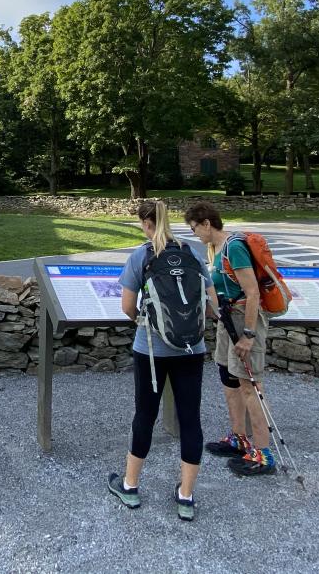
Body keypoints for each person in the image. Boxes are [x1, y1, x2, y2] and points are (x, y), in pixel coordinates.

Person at [108, 200, 216, 521]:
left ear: (146, 223)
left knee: (145, 415)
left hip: (151, 350)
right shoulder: (192, 253)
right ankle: (186, 496)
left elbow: (127, 306)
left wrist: (144, 321)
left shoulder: (141, 256)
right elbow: (210, 305)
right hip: (191, 350)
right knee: (190, 418)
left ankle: (130, 486)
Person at [184, 199, 276, 476]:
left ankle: (263, 453)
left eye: (195, 229)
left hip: (243, 322)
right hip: (227, 321)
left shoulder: (234, 247)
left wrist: (248, 335)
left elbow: (252, 293)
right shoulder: (216, 249)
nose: (195, 235)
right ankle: (239, 438)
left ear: (207, 223)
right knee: (228, 377)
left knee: (249, 384)